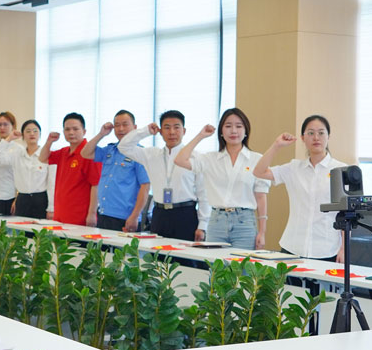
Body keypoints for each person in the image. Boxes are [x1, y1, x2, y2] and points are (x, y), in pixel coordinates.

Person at [253, 115, 347, 260]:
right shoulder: (294, 168)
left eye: (321, 133)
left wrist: (344, 249)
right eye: (310, 133)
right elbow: (258, 172)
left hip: (327, 249)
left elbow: (347, 213)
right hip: (293, 246)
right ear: (303, 138)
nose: (316, 137)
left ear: (328, 136)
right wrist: (276, 145)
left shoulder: (341, 170)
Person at [175, 108, 269, 249]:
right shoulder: (210, 158)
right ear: (221, 131)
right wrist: (200, 136)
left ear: (246, 131)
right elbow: (179, 160)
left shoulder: (257, 159)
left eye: (239, 126)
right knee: (215, 263)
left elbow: (261, 197)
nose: (233, 131)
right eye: (228, 126)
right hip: (216, 222)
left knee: (242, 263)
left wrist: (262, 231)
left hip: (245, 223)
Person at [118, 109, 209, 242]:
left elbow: (203, 193)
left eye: (176, 127)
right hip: (159, 214)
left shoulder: (195, 157)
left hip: (186, 214)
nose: (172, 132)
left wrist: (203, 225)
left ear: (184, 131)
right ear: (160, 131)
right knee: (157, 254)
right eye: (167, 127)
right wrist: (146, 131)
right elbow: (123, 146)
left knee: (184, 254)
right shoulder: (151, 155)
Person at [81, 110, 150, 232]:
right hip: (104, 214)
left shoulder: (139, 153)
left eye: (125, 124)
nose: (121, 129)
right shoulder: (110, 150)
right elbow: (85, 153)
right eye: (117, 125)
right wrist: (101, 134)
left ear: (135, 128)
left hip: (125, 217)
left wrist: (135, 216)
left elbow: (145, 187)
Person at [38, 112, 101, 226]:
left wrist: (92, 214)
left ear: (84, 131)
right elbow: (42, 158)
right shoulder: (64, 152)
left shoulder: (90, 154)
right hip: (60, 215)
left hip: (79, 217)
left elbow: (96, 185)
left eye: (75, 129)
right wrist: (49, 141)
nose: (71, 132)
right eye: (67, 129)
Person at [0, 118, 50, 219]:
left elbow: (52, 183)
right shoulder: (16, 154)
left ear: (40, 134)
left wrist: (51, 208)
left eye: (35, 131)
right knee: (21, 228)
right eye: (28, 131)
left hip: (41, 199)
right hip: (22, 200)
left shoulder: (47, 154)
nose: (32, 134)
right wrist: (9, 138)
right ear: (23, 135)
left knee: (40, 228)